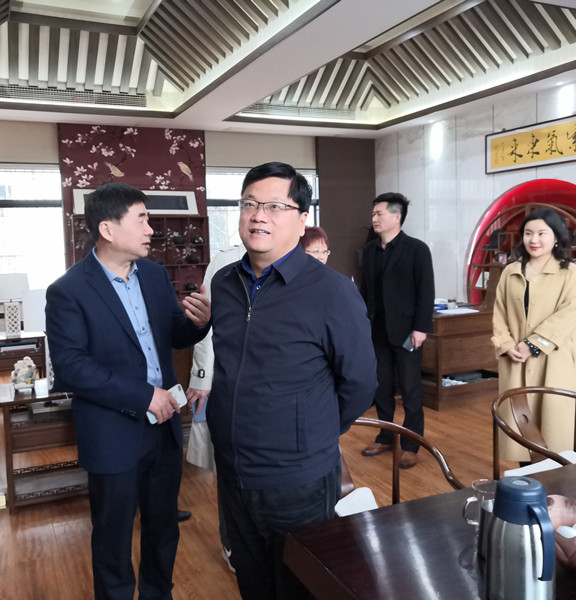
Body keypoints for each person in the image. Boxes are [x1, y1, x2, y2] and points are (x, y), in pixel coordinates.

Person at [208, 162, 377, 599]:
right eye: (249, 204)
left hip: (297, 477)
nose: (258, 215)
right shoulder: (224, 283)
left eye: (274, 206)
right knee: (252, 580)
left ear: (302, 220)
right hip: (232, 469)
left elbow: (360, 382)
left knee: (299, 585)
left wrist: (312, 430)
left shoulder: (333, 292)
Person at [45, 182, 211, 600]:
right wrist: (143, 395)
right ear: (107, 229)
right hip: (112, 431)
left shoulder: (153, 276)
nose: (151, 229)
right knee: (113, 535)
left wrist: (200, 323)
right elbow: (72, 366)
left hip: (164, 425)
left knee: (163, 526)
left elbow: (175, 334)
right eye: (141, 219)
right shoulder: (68, 290)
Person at [491, 205, 576, 463]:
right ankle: (527, 473)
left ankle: (559, 478)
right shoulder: (510, 272)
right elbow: (499, 314)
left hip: (553, 359)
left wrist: (532, 344)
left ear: (556, 237)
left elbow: (567, 316)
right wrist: (506, 344)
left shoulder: (570, 273)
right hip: (516, 358)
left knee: (554, 424)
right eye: (528, 233)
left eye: (542, 233)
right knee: (520, 423)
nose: (534, 240)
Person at [359, 192, 435, 470]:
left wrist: (421, 328)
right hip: (377, 331)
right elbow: (365, 291)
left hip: (407, 332)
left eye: (379, 213)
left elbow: (426, 291)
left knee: (411, 389)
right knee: (382, 388)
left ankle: (411, 445)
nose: (374, 218)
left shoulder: (417, 249)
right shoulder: (369, 250)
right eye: (373, 214)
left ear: (396, 216)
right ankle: (386, 436)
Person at [184, 242, 244, 573]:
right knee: (229, 466)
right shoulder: (227, 259)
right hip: (227, 379)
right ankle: (232, 542)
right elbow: (207, 327)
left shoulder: (294, 258)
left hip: (274, 389)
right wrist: (202, 378)